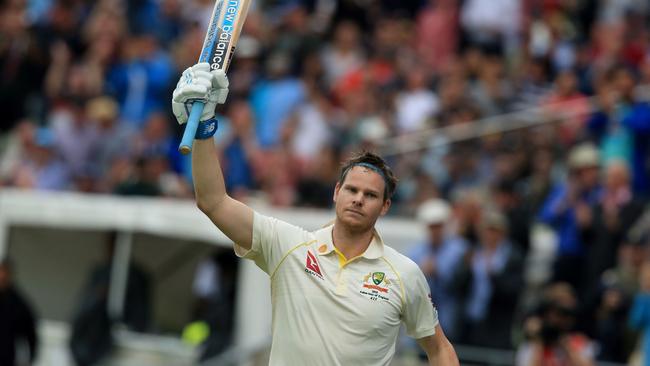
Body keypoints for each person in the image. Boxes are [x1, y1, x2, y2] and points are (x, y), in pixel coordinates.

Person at [171, 62, 459, 365]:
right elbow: (213, 202)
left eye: (371, 195)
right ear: (337, 192)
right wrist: (204, 126)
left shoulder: (404, 274)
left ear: (385, 206)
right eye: (352, 190)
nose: (359, 199)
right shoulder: (289, 246)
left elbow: (440, 348)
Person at [408, 198, 469, 341]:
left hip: (452, 316)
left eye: (439, 226)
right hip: (422, 319)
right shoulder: (415, 252)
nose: (435, 231)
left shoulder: (461, 250)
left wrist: (438, 273)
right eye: (432, 226)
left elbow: (464, 284)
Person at [0, 259, 38, 366]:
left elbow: (30, 332)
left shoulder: (17, 303)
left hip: (6, 356)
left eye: (4, 273)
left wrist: (31, 356)